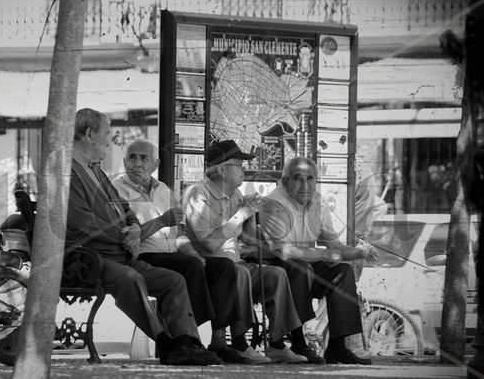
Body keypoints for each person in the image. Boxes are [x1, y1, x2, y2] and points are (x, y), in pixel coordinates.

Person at [65, 108, 221, 365]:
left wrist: (135, 228)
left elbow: (125, 210)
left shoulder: (96, 170)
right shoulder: (70, 170)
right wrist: (123, 238)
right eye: (106, 134)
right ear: (90, 134)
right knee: (131, 277)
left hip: (119, 252)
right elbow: (80, 223)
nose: (108, 140)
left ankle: (188, 342)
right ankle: (166, 343)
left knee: (174, 280)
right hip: (88, 258)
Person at [112, 139, 269, 364]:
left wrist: (192, 252)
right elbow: (124, 237)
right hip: (142, 255)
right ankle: (187, 338)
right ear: (124, 161)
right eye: (132, 157)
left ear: (155, 164)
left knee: (221, 267)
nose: (137, 163)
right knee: (193, 266)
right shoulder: (117, 189)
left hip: (172, 254)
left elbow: (178, 233)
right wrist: (160, 222)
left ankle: (215, 340)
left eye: (143, 158)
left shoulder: (162, 189)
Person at [182, 139, 308, 364]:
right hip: (211, 266)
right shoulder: (197, 194)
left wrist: (253, 215)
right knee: (237, 272)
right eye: (238, 165)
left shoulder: (236, 195)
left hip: (236, 262)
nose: (244, 170)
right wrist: (242, 213)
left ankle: (277, 343)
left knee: (276, 274)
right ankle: (240, 343)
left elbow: (247, 238)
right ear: (221, 169)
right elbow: (210, 244)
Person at [259, 156, 377, 365]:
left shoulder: (318, 202)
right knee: (300, 267)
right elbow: (283, 252)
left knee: (342, 271)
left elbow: (335, 246)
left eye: (310, 179)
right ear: (285, 182)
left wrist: (360, 253)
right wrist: (324, 255)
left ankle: (338, 347)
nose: (305, 185)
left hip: (305, 264)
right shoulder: (273, 203)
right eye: (298, 179)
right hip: (273, 266)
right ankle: (298, 342)